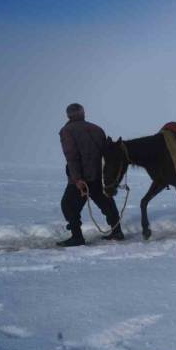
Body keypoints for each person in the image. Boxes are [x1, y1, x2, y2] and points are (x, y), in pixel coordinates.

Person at [57, 103, 124, 247]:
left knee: (68, 205)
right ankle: (117, 231)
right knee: (106, 203)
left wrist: (77, 179)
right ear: (83, 113)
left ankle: (77, 237)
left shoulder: (67, 131)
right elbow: (108, 155)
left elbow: (72, 156)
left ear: (68, 115)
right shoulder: (97, 129)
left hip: (81, 179)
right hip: (97, 176)